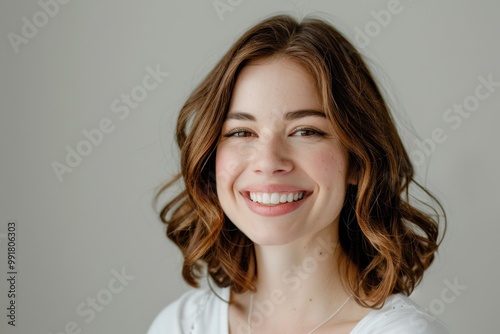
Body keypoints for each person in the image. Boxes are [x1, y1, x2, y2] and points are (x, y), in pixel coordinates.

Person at [148, 14, 449, 334]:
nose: (268, 161)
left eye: (305, 131)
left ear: (358, 161)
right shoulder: (180, 325)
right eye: (241, 132)